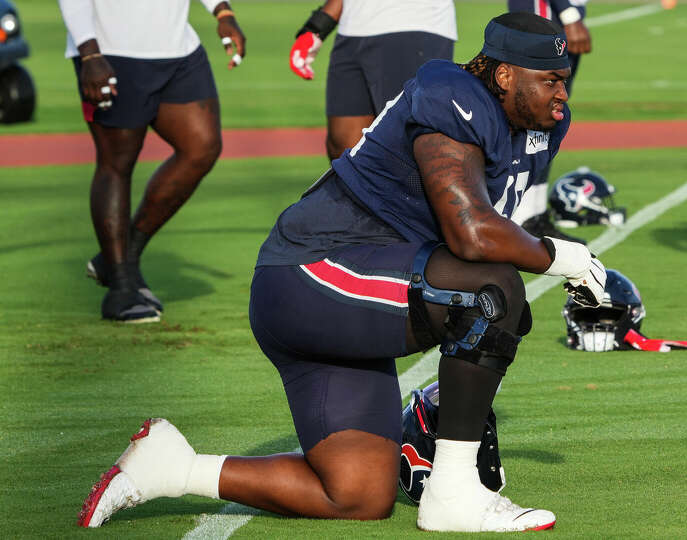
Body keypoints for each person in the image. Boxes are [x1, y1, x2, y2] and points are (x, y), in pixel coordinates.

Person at [77, 13, 606, 533]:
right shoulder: (452, 92)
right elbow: (470, 231)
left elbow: (486, 235)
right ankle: (453, 493)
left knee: (356, 492)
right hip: (311, 272)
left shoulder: (535, 127)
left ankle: (173, 468)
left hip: (359, 289)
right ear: (506, 75)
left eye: (563, 80)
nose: (562, 94)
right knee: (490, 294)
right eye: (550, 80)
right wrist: (568, 259)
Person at [58, 0, 246, 323]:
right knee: (117, 163)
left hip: (177, 49)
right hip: (110, 52)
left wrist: (222, 11)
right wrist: (88, 52)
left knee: (202, 147)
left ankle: (122, 257)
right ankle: (119, 287)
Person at [288, 0, 456, 162]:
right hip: (352, 29)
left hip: (413, 23)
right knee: (344, 151)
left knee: (404, 148)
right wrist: (317, 27)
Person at [507, 0, 592, 243]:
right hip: (546, 16)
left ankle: (534, 216)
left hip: (557, 17)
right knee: (534, 112)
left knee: (547, 117)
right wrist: (568, 13)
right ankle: (519, 217)